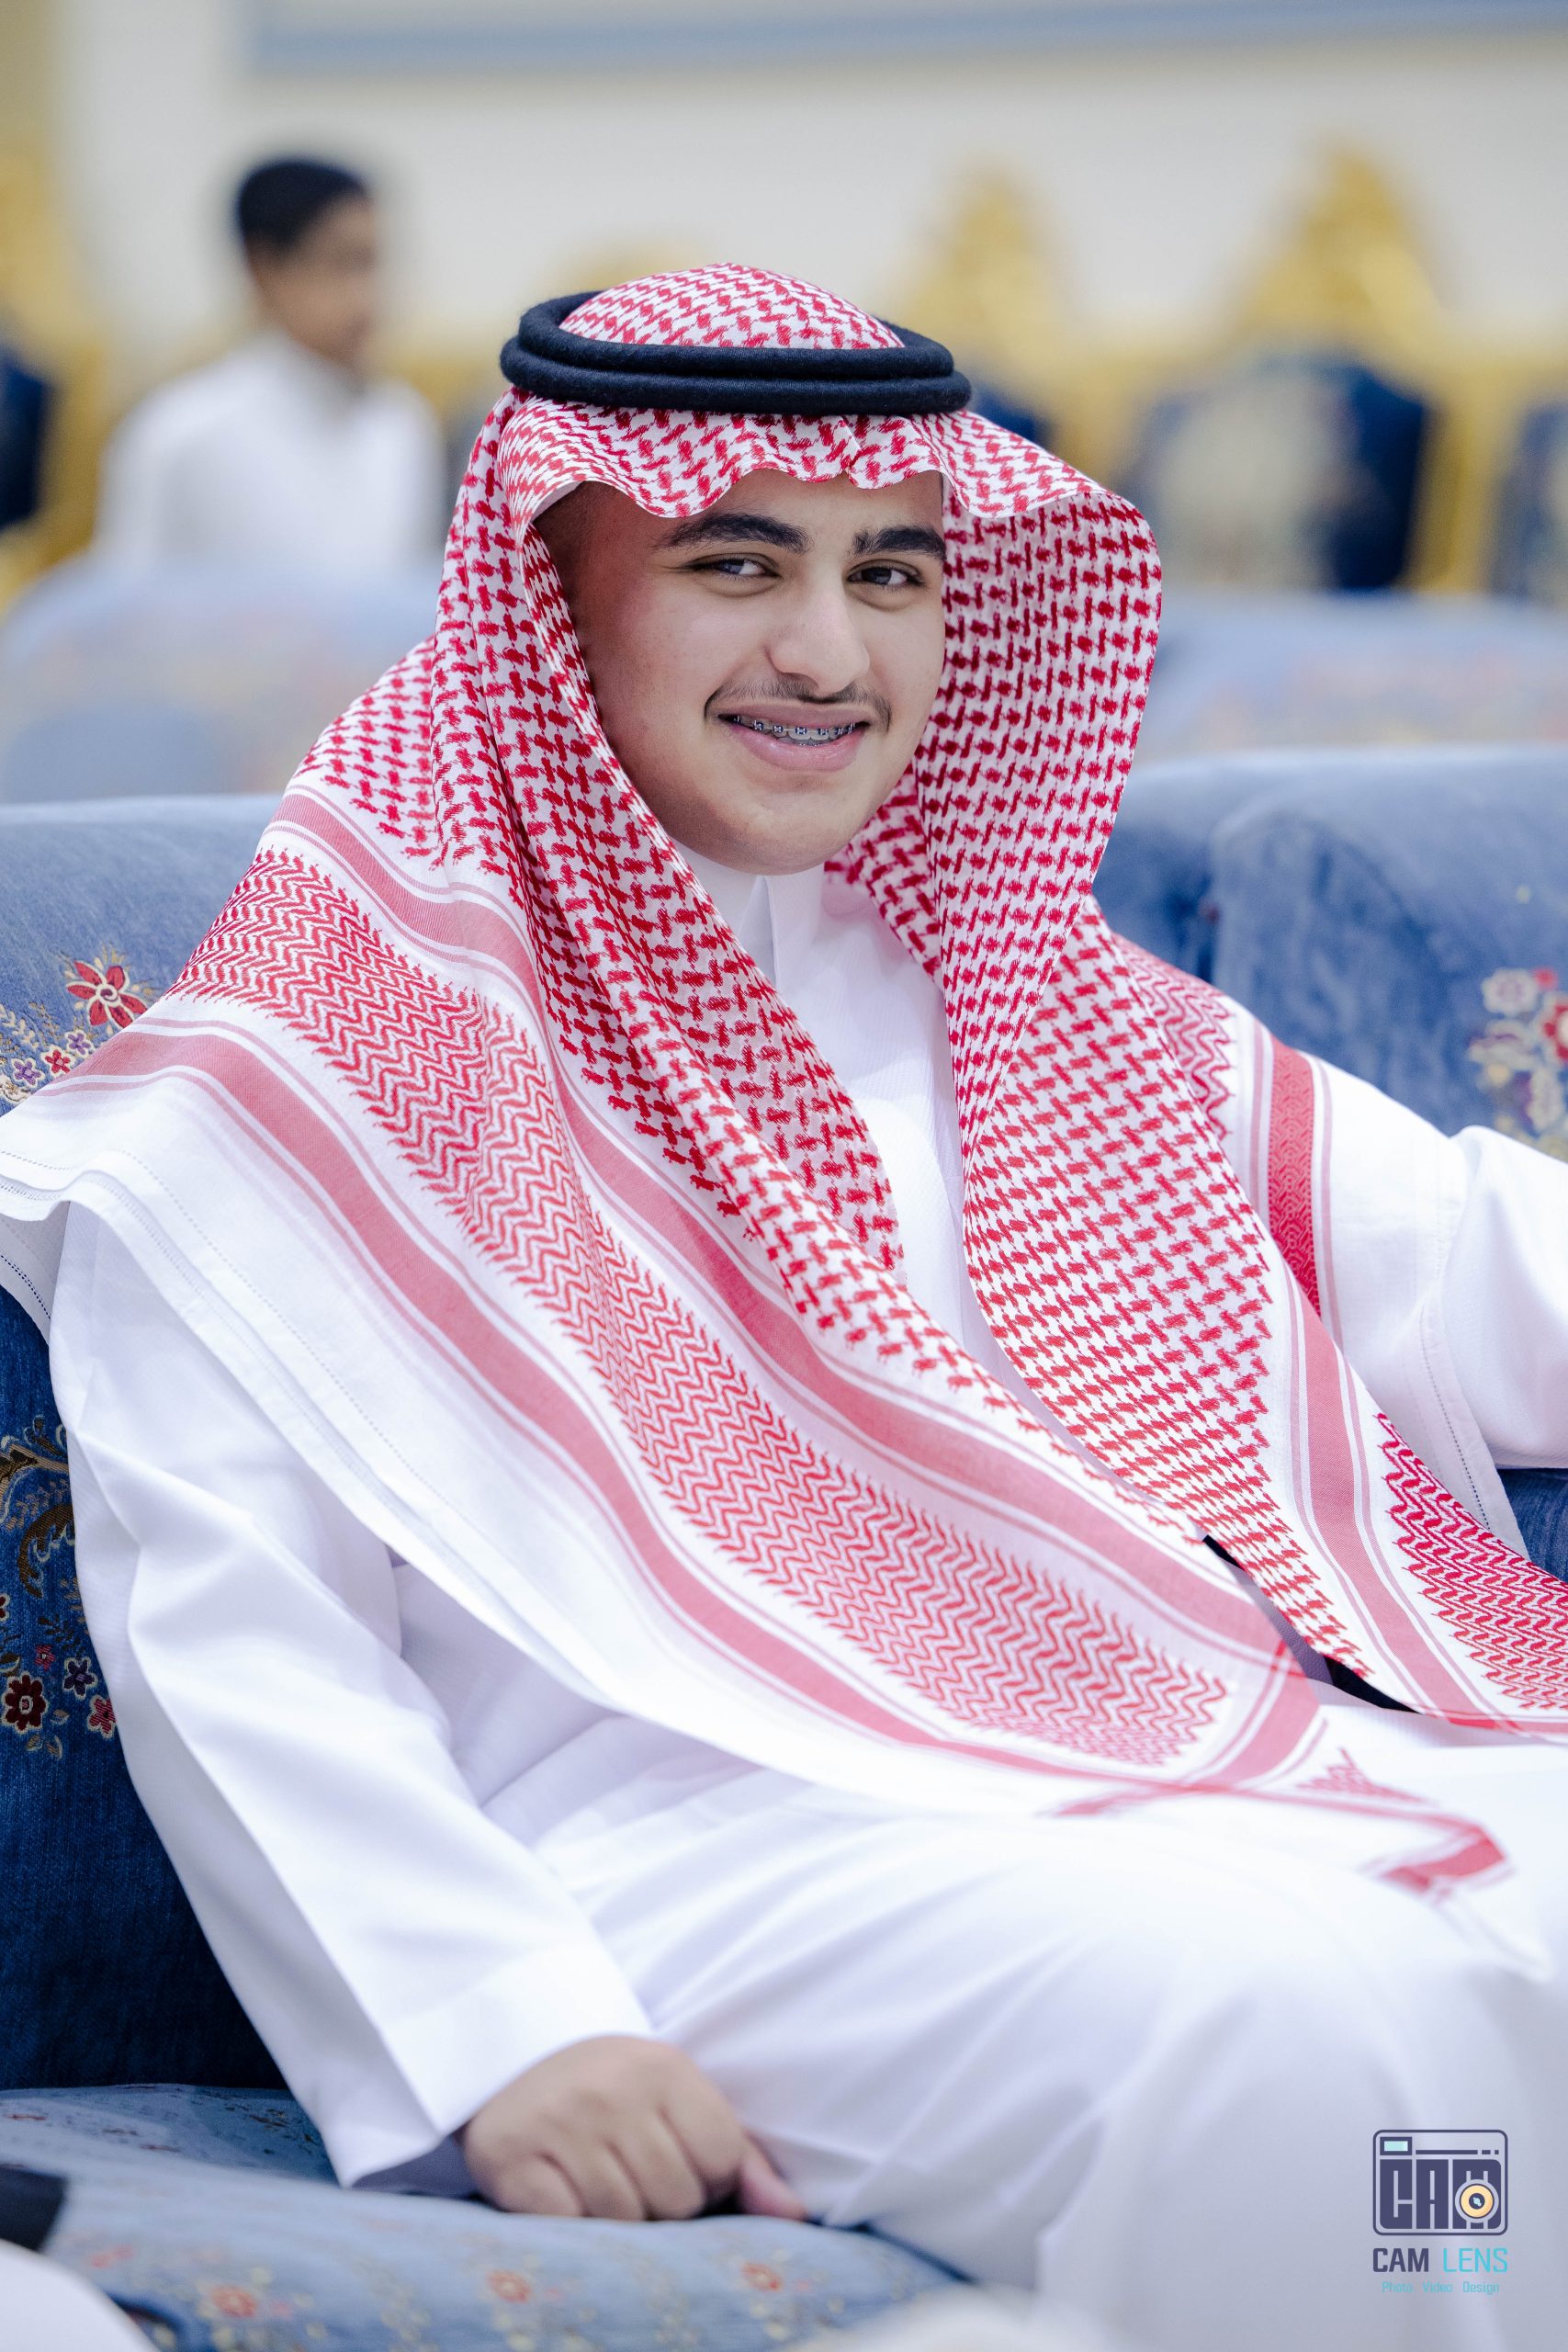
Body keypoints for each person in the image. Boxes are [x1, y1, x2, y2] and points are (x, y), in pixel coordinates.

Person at [4, 266, 1568, 2352]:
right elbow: (242, 1631)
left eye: (888, 572)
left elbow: (1469, 1264)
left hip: (1178, 1758)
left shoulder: (1025, 999)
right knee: (1305, 2042)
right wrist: (498, 2028)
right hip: (715, 1842)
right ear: (550, 593)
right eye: (736, 563)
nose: (829, 652)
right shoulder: (313, 1068)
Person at [93, 155, 443, 570]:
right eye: (342, 263)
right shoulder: (177, 434)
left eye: (372, 263)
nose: (367, 295)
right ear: (264, 268)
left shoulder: (402, 426)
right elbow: (127, 597)